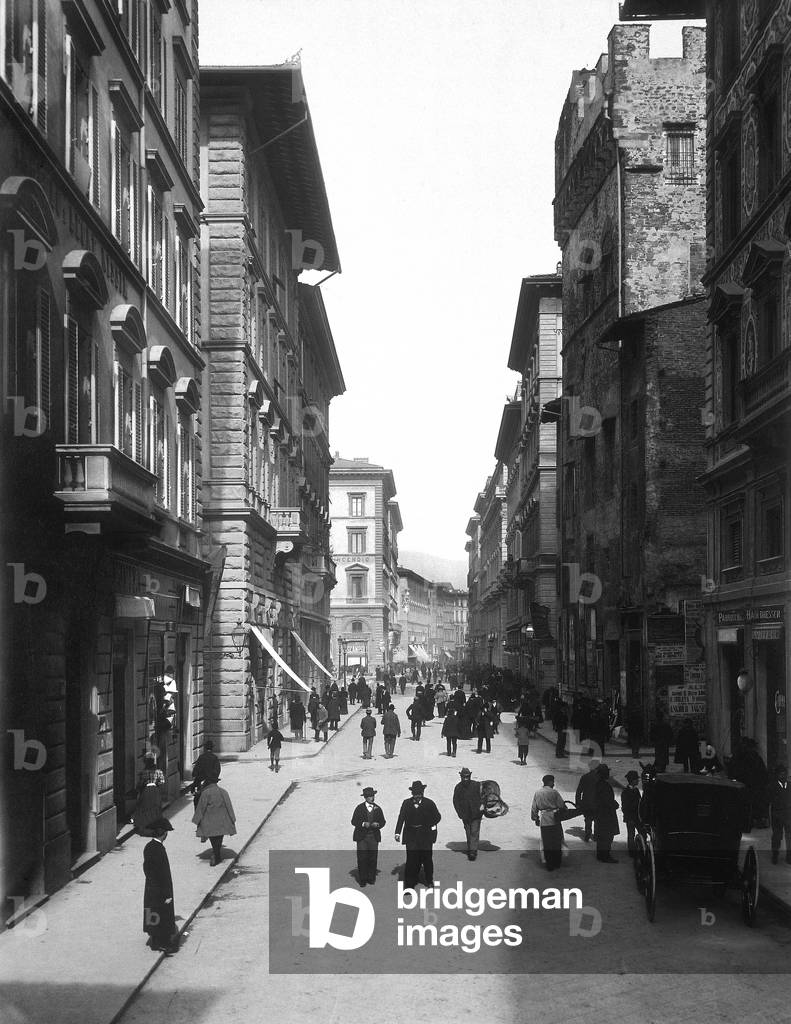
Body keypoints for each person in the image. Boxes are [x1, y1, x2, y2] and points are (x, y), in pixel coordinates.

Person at [395, 781, 441, 889]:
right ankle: (409, 885)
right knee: (411, 860)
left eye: (420, 793)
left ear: (423, 792)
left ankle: (429, 880)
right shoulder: (406, 803)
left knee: (427, 859)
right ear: (412, 793)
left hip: (425, 836)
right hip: (411, 836)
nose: (417, 795)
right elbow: (401, 818)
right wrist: (397, 832)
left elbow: (437, 817)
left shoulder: (429, 803)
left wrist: (429, 824)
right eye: (415, 793)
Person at [143, 817, 179, 955]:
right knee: (162, 915)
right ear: (164, 834)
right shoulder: (158, 849)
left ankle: (155, 940)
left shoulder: (149, 847)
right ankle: (161, 943)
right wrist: (166, 894)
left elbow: (147, 869)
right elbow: (162, 874)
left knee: (153, 914)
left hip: (151, 888)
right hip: (160, 890)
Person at [192, 778, 237, 866]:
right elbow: (229, 805)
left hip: (210, 820)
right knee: (219, 837)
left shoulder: (206, 793)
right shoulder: (223, 792)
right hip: (222, 820)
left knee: (213, 838)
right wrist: (232, 818)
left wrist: (197, 820)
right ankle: (217, 854)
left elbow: (201, 807)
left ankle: (216, 854)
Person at [530, 774, 566, 871]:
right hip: (555, 819)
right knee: (556, 841)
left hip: (544, 820)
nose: (554, 783)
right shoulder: (554, 792)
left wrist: (535, 818)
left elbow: (534, 808)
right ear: (550, 782)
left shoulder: (538, 793)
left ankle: (549, 864)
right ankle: (557, 862)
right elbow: (561, 805)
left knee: (547, 842)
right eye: (553, 781)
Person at [351, 786, 386, 886]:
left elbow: (383, 821)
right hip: (362, 837)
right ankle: (362, 880)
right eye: (370, 796)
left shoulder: (378, 808)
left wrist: (378, 825)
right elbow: (353, 821)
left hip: (373, 837)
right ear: (365, 797)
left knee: (372, 858)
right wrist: (363, 824)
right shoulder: (359, 808)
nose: (372, 798)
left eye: (373, 795)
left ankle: (371, 878)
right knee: (362, 858)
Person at [453, 768, 483, 861]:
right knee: (468, 832)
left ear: (470, 776)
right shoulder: (458, 787)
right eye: (464, 777)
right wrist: (459, 813)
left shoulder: (476, 785)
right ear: (461, 777)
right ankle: (471, 847)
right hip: (465, 815)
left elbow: (483, 795)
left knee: (474, 831)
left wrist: (482, 806)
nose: (465, 779)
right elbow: (455, 801)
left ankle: (472, 852)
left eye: (467, 777)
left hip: (476, 814)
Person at [593, 764, 619, 863]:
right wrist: (615, 804)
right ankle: (605, 856)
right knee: (607, 836)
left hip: (600, 814)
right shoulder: (605, 786)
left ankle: (600, 855)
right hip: (606, 815)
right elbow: (608, 801)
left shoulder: (598, 784)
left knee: (601, 835)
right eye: (607, 772)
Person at [134, 753, 165, 836]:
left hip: (146, 791)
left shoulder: (143, 772)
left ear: (145, 762)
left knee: (145, 808)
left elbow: (140, 784)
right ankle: (156, 828)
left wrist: (138, 789)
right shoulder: (159, 771)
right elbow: (161, 783)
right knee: (156, 808)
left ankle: (146, 829)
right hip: (155, 790)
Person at [769, 764, 791, 865]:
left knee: (789, 836)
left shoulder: (790, 786)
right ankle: (775, 854)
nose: (783, 775)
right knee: (777, 836)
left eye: (784, 773)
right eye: (780, 773)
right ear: (777, 775)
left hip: (788, 814)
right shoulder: (772, 786)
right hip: (777, 814)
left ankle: (789, 856)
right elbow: (768, 800)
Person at [575, 759, 600, 843]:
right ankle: (596, 836)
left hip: (586, 802)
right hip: (597, 803)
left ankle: (587, 834)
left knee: (588, 819)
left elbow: (579, 791)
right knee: (597, 819)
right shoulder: (600, 778)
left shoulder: (585, 777)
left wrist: (578, 803)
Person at [190, 740, 221, 808]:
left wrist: (195, 777)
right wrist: (214, 778)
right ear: (212, 748)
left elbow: (195, 771)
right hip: (211, 782)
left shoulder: (201, 757)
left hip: (201, 782)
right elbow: (217, 771)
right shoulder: (214, 758)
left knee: (197, 800)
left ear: (205, 748)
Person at [621, 770, 641, 857]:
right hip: (630, 818)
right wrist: (629, 819)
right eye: (637, 779)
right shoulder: (625, 792)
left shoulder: (636, 790)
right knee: (631, 835)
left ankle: (640, 848)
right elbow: (625, 808)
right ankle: (632, 852)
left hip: (638, 817)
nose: (638, 781)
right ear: (632, 780)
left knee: (642, 832)